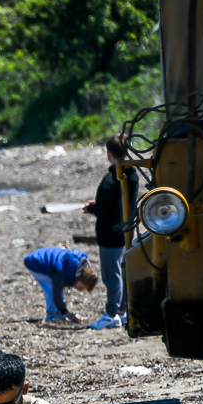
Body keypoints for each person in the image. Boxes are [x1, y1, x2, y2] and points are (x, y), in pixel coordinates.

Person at [83, 135, 139, 330]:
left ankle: (111, 313)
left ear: (109, 153)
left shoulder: (110, 178)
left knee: (111, 274)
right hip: (126, 231)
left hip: (110, 234)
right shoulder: (132, 175)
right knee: (123, 272)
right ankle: (123, 311)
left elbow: (104, 208)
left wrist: (91, 208)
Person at [23, 246, 99, 323]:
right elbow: (56, 295)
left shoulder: (76, 267)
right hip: (34, 261)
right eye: (81, 287)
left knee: (59, 288)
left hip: (43, 258)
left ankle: (58, 312)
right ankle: (52, 313)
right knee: (50, 289)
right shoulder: (62, 272)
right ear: (80, 278)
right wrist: (66, 313)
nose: (80, 290)